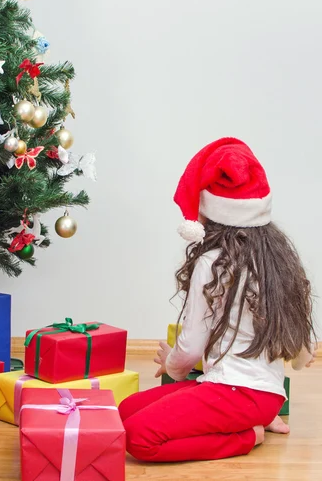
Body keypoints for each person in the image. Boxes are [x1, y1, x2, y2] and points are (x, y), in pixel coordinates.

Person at [119, 138, 316, 462]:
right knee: (126, 411)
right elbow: (294, 341)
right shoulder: (274, 258)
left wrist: (173, 366)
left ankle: (246, 436)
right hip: (255, 393)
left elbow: (192, 345)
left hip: (236, 393)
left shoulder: (211, 261)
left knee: (139, 438)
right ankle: (259, 418)